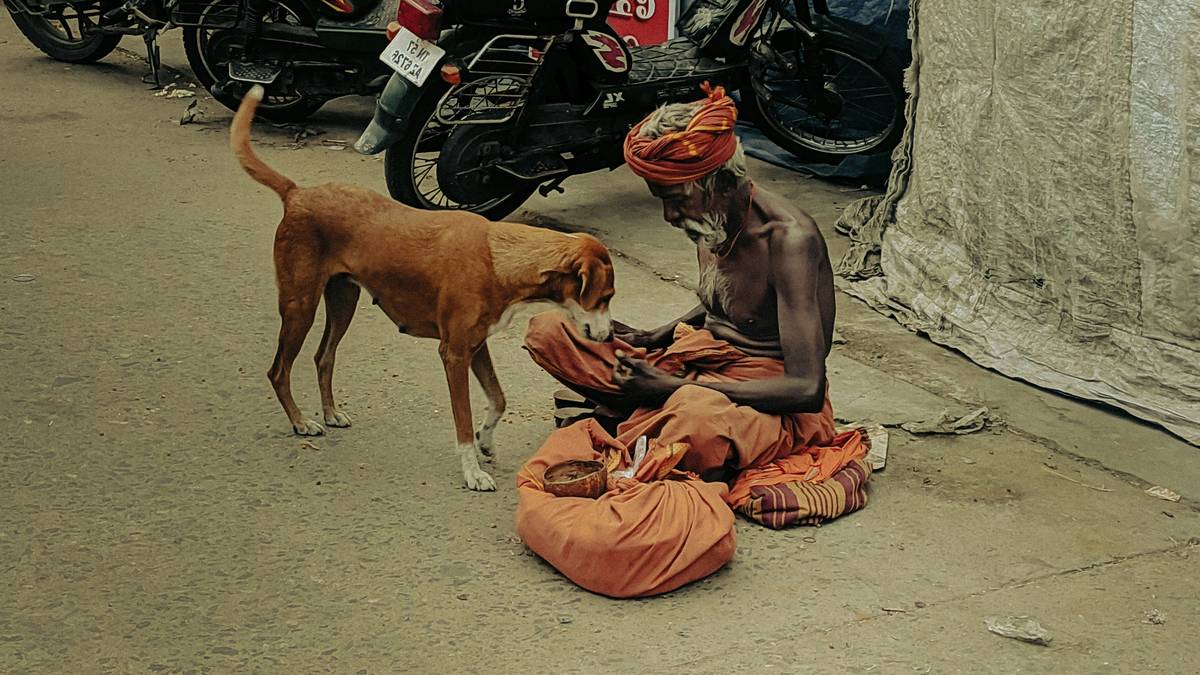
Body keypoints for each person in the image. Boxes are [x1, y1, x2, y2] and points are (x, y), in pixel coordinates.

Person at [524, 84, 867, 526]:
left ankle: (653, 418)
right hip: (697, 365)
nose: (669, 216)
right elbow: (724, 304)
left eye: (675, 199)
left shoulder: (787, 240)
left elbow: (806, 388)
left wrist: (668, 389)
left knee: (696, 420)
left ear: (720, 183)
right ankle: (650, 417)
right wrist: (656, 336)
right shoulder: (712, 217)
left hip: (768, 396)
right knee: (551, 329)